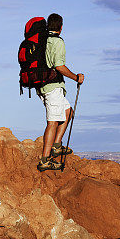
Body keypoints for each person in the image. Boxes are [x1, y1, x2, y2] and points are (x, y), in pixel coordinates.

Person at [36, 13, 85, 171]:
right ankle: (45, 159)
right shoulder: (57, 42)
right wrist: (75, 77)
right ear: (61, 27)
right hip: (52, 87)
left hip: (44, 86)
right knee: (52, 122)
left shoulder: (42, 41)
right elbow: (59, 66)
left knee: (67, 112)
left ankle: (56, 146)